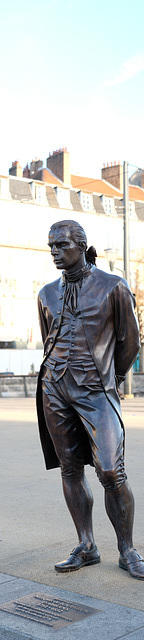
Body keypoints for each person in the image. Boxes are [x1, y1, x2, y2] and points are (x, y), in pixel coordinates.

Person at [36, 219, 144, 579]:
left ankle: (128, 549)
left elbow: (130, 342)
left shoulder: (113, 286)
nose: (54, 252)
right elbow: (48, 338)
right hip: (55, 388)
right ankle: (86, 544)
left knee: (112, 471)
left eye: (61, 245)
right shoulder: (46, 293)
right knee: (70, 468)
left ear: (81, 245)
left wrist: (112, 379)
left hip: (97, 389)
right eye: (50, 245)